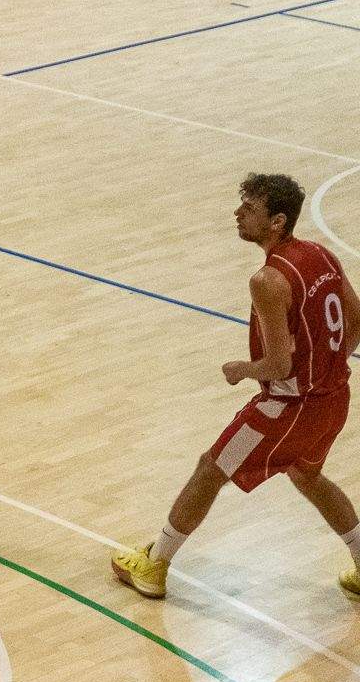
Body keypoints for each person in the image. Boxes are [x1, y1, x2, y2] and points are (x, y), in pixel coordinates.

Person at [114, 175, 360, 601]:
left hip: (288, 406)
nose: (238, 214)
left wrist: (242, 369)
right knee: (307, 474)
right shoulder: (322, 255)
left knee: (211, 469)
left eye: (249, 209)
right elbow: (357, 321)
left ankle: (155, 564)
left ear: (278, 221)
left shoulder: (267, 281)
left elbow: (279, 364)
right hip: (334, 398)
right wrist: (327, 365)